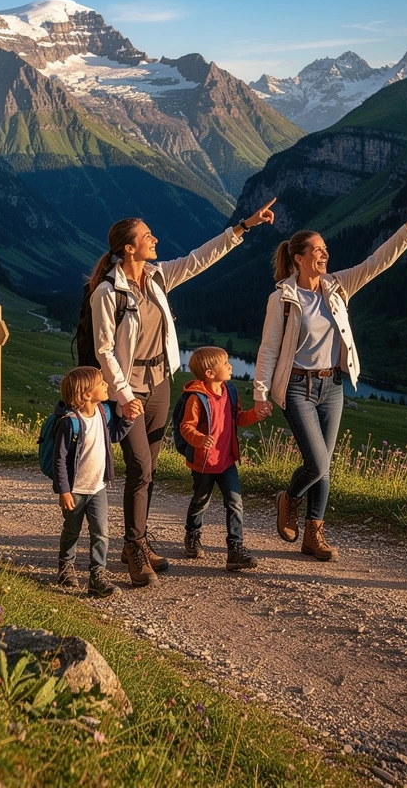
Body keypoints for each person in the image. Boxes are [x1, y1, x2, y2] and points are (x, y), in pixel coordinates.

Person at [90, 199, 276, 588]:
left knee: (150, 469)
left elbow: (198, 259)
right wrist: (123, 395)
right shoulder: (107, 293)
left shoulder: (156, 276)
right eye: (146, 236)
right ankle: (134, 547)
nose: (154, 239)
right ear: (128, 247)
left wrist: (243, 227)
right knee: (140, 466)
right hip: (130, 391)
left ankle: (134, 542)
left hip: (160, 385)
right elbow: (104, 349)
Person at [253, 194, 407, 561]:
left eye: (325, 250)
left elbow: (377, 262)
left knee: (326, 465)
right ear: (298, 257)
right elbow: (268, 350)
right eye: (318, 251)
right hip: (297, 387)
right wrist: (260, 394)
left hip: (332, 385)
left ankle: (314, 535)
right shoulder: (283, 299)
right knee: (317, 463)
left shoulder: (337, 286)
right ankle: (288, 499)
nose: (325, 255)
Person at [177, 346, 265, 572]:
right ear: (209, 373)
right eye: (225, 364)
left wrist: (256, 414)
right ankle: (193, 534)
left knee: (235, 502)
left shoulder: (230, 391)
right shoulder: (196, 398)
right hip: (204, 463)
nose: (230, 366)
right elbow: (186, 426)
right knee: (200, 501)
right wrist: (198, 439)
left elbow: (239, 419)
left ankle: (235, 549)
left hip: (226, 461)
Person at [52, 366, 133, 598]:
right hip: (76, 490)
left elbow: (114, 436)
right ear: (87, 394)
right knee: (72, 530)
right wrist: (64, 491)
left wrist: (128, 420)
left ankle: (97, 576)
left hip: (98, 487)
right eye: (101, 383)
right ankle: (66, 567)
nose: (106, 385)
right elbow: (60, 459)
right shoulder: (70, 423)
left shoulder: (104, 412)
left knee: (101, 532)